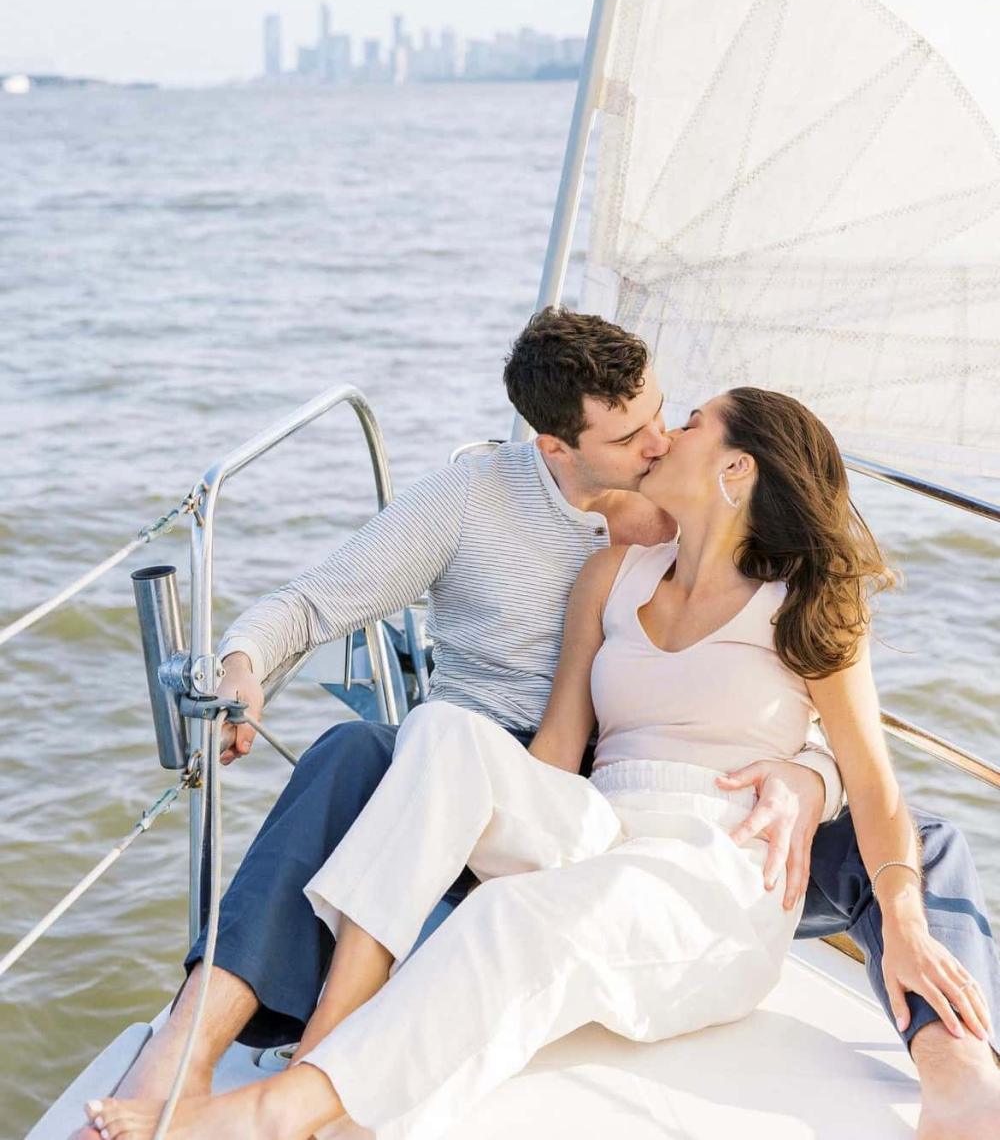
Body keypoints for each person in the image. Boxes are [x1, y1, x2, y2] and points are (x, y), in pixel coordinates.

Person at [76, 312, 999, 1139]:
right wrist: (250, 663)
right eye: (636, 430)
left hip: (709, 853)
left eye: (676, 419)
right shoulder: (581, 556)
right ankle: (299, 1042)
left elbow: (866, 771)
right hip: (569, 809)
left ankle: (281, 1112)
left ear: (733, 467)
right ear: (558, 445)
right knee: (421, 736)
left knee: (529, 913)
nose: (658, 438)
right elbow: (545, 744)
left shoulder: (790, 593)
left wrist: (841, 818)